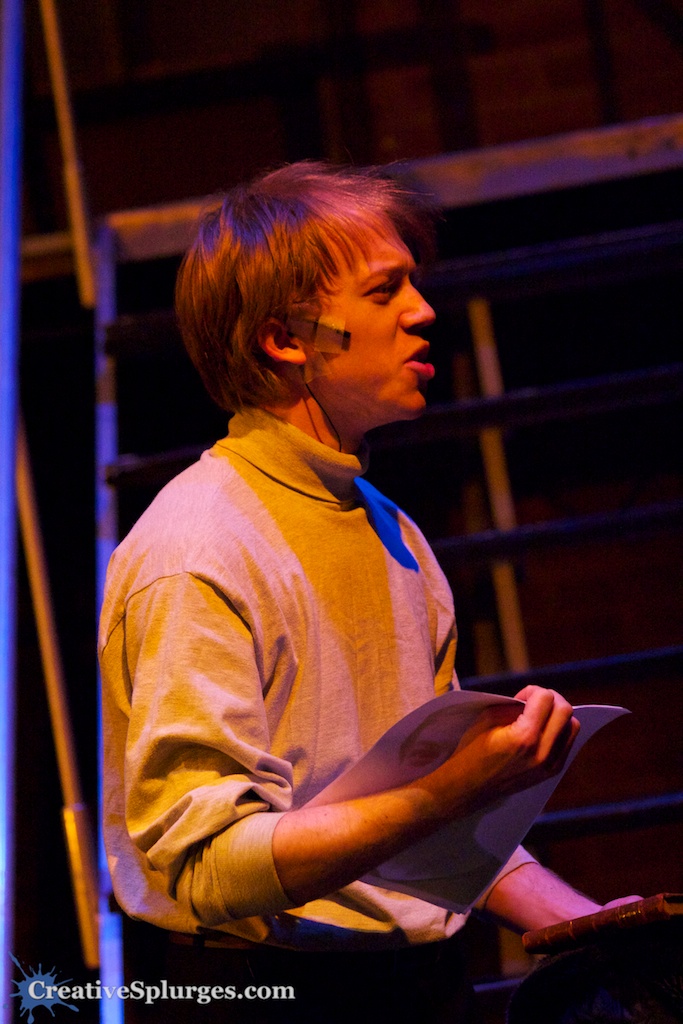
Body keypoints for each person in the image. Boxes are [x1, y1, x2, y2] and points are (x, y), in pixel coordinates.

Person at [99, 161, 635, 1023]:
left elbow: (419, 826)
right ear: (286, 339)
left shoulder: (391, 531)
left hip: (414, 985)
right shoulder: (196, 550)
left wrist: (586, 923)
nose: (422, 312)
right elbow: (207, 867)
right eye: (385, 292)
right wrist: (451, 789)